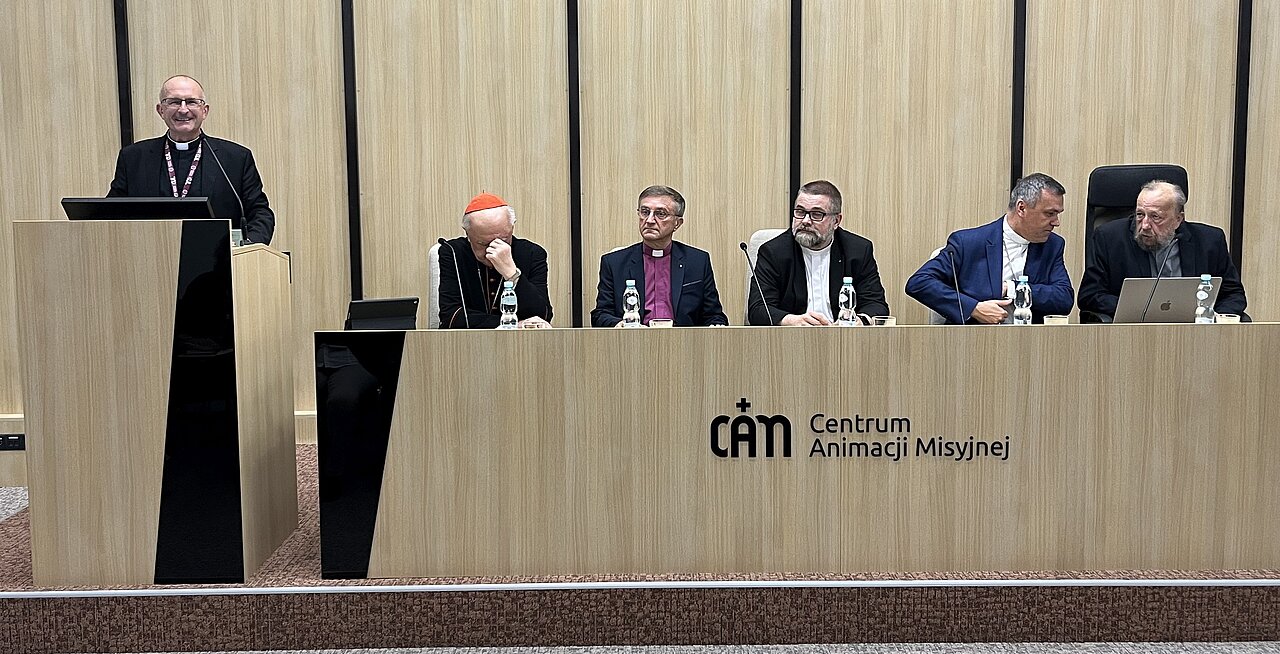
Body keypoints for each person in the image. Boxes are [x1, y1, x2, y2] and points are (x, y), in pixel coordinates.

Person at [108, 75, 276, 245]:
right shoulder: (133, 158)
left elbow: (260, 213)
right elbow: (110, 213)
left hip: (218, 257)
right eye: (174, 102)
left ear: (205, 111)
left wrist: (248, 246)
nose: (183, 110)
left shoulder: (235, 158)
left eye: (191, 102)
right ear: (161, 110)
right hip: (149, 254)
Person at [905, 173, 1074, 324]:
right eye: (1050, 213)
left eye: (1058, 214)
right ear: (1021, 208)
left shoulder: (1052, 245)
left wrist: (1012, 289)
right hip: (975, 341)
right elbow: (919, 282)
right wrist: (973, 308)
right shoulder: (968, 243)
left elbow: (1064, 299)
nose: (1056, 222)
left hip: (1030, 343)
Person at [1079, 180, 1248, 321]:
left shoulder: (1210, 241)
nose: (1145, 225)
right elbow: (1090, 295)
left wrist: (1214, 317)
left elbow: (1233, 294)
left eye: (1155, 217)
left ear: (1178, 219)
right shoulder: (1109, 238)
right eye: (1140, 214)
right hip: (1133, 330)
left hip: (1194, 332)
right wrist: (1136, 310)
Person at [747, 180, 889, 326]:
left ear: (836, 221)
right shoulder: (773, 252)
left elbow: (876, 305)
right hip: (793, 336)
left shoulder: (858, 250)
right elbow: (758, 309)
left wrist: (860, 321)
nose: (805, 221)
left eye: (816, 214)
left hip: (843, 336)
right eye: (800, 212)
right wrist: (792, 321)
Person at [591, 186, 728, 327]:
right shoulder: (614, 263)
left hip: (684, 339)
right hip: (634, 338)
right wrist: (621, 325)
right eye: (645, 212)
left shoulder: (697, 261)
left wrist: (716, 326)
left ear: (677, 223)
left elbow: (714, 316)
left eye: (660, 214)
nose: (649, 220)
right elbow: (600, 315)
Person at [437, 192, 553, 329]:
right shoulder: (453, 252)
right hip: (466, 341)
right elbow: (451, 317)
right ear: (468, 233)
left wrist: (511, 274)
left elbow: (543, 315)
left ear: (512, 228)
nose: (494, 251)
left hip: (521, 341)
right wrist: (511, 325)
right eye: (483, 244)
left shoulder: (532, 253)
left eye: (503, 240)